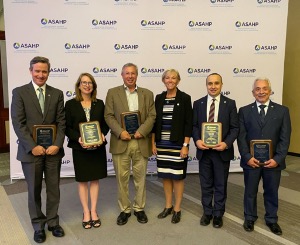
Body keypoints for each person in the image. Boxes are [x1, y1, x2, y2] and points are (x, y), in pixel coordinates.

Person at [11, 56, 65, 243]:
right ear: (31, 71)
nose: (41, 75)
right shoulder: (19, 92)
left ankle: (53, 222)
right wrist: (32, 147)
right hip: (30, 152)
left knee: (53, 188)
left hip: (52, 152)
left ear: (49, 72)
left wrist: (57, 144)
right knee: (34, 190)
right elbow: (18, 123)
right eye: (37, 71)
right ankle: (38, 225)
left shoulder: (57, 93)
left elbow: (61, 122)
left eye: (44, 71)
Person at [237, 77, 291, 235]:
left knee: (272, 191)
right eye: (258, 89)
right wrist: (247, 156)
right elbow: (241, 137)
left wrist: (278, 159)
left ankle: (272, 219)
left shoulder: (282, 111)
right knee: (250, 191)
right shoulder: (244, 111)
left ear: (270, 90)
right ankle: (249, 217)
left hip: (273, 162)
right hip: (251, 162)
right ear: (253, 93)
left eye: (264, 88)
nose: (261, 92)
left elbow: (285, 137)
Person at [104, 63, 156, 225]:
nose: (130, 76)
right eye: (127, 73)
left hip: (141, 141)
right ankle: (125, 209)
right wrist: (121, 132)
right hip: (121, 141)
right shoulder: (113, 93)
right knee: (122, 178)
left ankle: (139, 208)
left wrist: (142, 130)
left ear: (137, 75)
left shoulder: (147, 94)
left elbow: (152, 116)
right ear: (122, 75)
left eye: (133, 73)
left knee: (140, 178)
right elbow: (109, 116)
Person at [192, 73, 239, 228]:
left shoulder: (230, 103)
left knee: (220, 185)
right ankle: (207, 212)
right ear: (206, 85)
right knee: (205, 184)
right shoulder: (198, 103)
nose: (213, 86)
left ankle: (218, 214)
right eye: (210, 83)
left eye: (216, 83)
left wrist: (226, 143)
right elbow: (194, 126)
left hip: (222, 152)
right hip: (204, 152)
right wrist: (198, 140)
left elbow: (234, 128)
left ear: (221, 85)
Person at [65, 73, 109, 229]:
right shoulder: (70, 104)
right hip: (80, 148)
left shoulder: (100, 103)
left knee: (95, 179)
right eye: (84, 82)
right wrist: (79, 139)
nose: (87, 85)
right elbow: (67, 127)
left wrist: (103, 133)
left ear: (93, 86)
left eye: (90, 82)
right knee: (83, 180)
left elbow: (105, 124)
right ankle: (86, 212)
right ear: (79, 85)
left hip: (97, 148)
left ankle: (94, 210)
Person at [152, 69, 192, 224]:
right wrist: (153, 143)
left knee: (177, 177)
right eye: (167, 78)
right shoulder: (159, 98)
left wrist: (185, 145)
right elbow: (154, 123)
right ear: (163, 80)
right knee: (165, 175)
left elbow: (188, 123)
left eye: (173, 78)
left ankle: (177, 208)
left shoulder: (185, 98)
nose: (170, 80)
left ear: (178, 80)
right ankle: (168, 206)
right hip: (162, 144)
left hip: (177, 145)